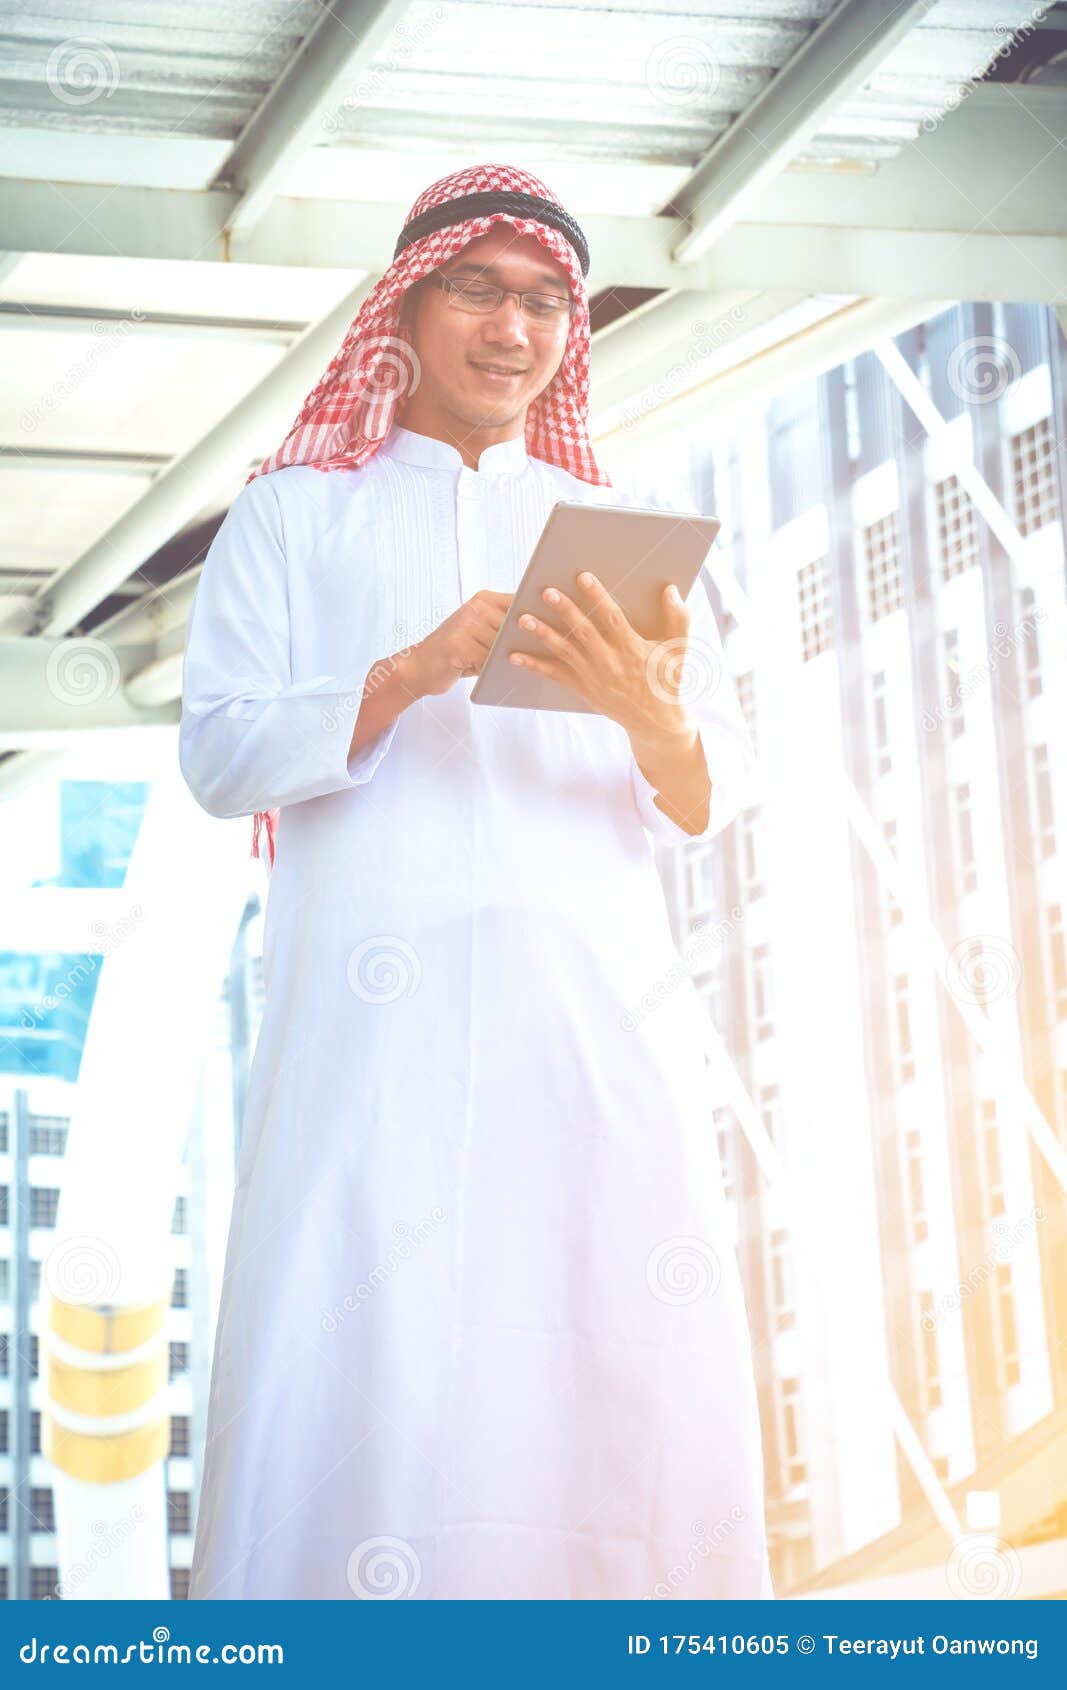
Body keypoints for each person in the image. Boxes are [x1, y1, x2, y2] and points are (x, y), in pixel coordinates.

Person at [179, 163, 770, 1600]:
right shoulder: (290, 521)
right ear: (407, 306)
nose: (514, 328)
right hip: (365, 1039)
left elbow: (714, 790)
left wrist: (651, 712)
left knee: (606, 1337)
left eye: (547, 301)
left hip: (588, 1028)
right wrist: (412, 669)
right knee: (367, 1352)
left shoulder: (619, 527)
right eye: (477, 289)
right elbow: (221, 755)